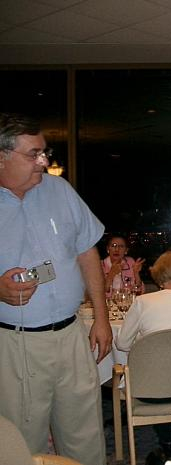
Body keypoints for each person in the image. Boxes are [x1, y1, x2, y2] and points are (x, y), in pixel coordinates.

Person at [0, 113, 112, 465]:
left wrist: (102, 317)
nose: (44, 162)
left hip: (71, 334)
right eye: (33, 154)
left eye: (44, 152)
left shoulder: (59, 190)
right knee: (23, 442)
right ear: (1, 157)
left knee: (86, 438)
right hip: (16, 344)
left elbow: (87, 252)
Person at [116, 250, 171, 461]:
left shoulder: (142, 303)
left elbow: (122, 344)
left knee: (160, 375)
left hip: (150, 392)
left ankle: (166, 441)